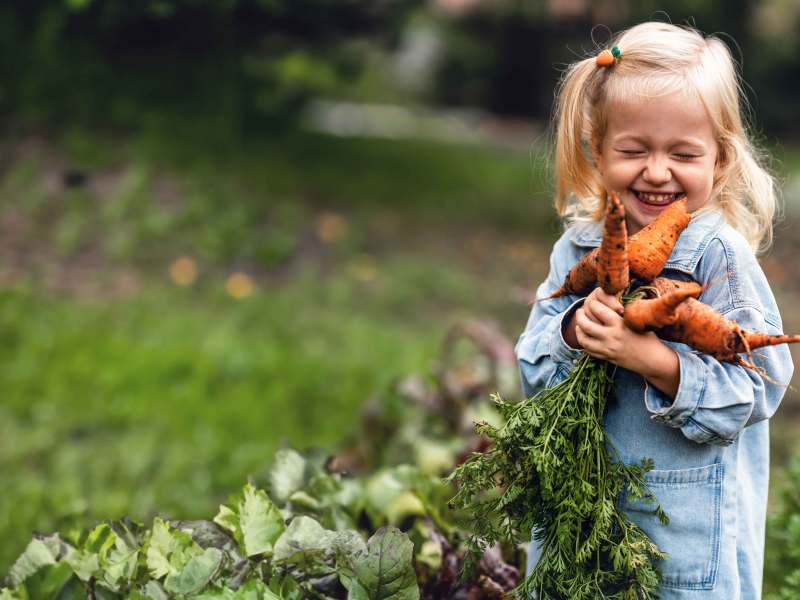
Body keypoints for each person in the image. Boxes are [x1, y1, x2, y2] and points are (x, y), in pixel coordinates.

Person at [515, 22, 794, 599]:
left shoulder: (720, 257)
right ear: (598, 150)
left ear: (719, 160)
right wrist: (570, 329)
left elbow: (759, 391)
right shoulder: (578, 250)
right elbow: (532, 368)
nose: (658, 171)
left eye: (684, 153)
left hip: (680, 545)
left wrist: (653, 360)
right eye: (634, 150)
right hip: (578, 522)